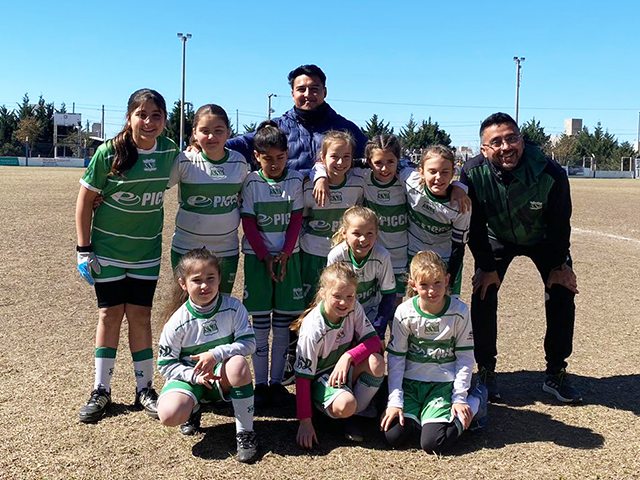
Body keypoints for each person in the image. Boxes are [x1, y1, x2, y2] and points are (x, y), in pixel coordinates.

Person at [460, 112, 581, 403]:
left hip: (543, 239)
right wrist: (486, 267)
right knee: (484, 290)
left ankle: (556, 372)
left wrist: (558, 265)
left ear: (522, 141)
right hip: (497, 237)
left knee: (562, 290)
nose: (506, 147)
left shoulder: (550, 172)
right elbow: (474, 226)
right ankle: (486, 370)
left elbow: (560, 222)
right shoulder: (473, 172)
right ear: (484, 149)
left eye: (512, 138)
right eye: (496, 142)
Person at [75, 88, 179, 423]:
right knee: (109, 314)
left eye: (156, 116)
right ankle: (101, 389)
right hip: (107, 252)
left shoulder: (169, 152)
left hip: (146, 253)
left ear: (165, 119)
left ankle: (145, 389)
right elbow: (84, 201)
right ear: (129, 117)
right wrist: (83, 248)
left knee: (140, 316)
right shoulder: (110, 152)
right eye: (142, 114)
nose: (149, 122)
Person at [156, 249, 258, 463]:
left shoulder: (233, 308)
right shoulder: (177, 322)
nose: (205, 286)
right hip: (191, 378)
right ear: (183, 284)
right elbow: (165, 364)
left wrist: (216, 354)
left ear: (220, 278)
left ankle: (245, 433)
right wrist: (194, 377)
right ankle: (193, 406)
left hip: (222, 376)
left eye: (210, 278)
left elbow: (249, 343)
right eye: (197, 280)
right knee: (168, 415)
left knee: (238, 364)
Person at [381, 251, 488, 454]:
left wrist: (460, 398)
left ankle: (476, 402)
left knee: (433, 443)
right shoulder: (404, 312)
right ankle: (424, 416)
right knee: (393, 436)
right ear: (413, 285)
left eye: (437, 283)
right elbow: (396, 359)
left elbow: (465, 357)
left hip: (442, 385)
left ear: (447, 280)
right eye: (424, 285)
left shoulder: (459, 311)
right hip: (411, 384)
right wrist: (394, 401)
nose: (432, 290)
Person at [240, 121, 305, 409]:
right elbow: (249, 223)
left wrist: (286, 253)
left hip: (288, 260)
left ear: (287, 154)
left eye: (280, 157)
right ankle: (260, 384)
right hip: (258, 260)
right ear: (257, 156)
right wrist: (265, 255)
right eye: (268, 158)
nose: (275, 163)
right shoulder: (252, 182)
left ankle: (277, 383)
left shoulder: (294, 181)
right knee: (260, 325)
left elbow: (296, 221)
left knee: (282, 326)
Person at [292, 263, 385, 449]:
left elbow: (375, 341)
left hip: (343, 369)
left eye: (349, 296)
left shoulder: (354, 308)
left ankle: (355, 417)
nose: (344, 302)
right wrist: (304, 422)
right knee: (346, 404)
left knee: (377, 362)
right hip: (320, 378)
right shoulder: (313, 328)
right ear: (323, 292)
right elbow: (302, 378)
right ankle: (330, 415)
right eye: (337, 296)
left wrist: (348, 357)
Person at [226, 64, 368, 177]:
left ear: (325, 92)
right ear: (293, 94)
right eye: (301, 89)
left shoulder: (344, 128)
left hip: (331, 207)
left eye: (314, 89)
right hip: (289, 207)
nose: (308, 94)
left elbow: (374, 153)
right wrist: (209, 145)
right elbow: (246, 143)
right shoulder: (277, 126)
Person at [168, 104, 248, 294]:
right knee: (184, 306)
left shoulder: (239, 162)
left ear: (228, 132)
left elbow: (245, 197)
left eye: (218, 131)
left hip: (225, 249)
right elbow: (153, 187)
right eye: (205, 131)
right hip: (186, 247)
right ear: (194, 133)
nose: (211, 137)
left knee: (220, 303)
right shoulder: (185, 160)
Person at [300, 130, 364, 306]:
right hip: (313, 254)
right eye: (335, 156)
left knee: (340, 303)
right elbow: (301, 219)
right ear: (323, 157)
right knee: (311, 304)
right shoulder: (308, 187)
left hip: (343, 255)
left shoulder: (358, 185)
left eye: (346, 157)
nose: (341, 162)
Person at [400, 145, 471, 296]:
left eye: (445, 172)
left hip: (444, 262)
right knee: (417, 308)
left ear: (453, 173)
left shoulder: (461, 205)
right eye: (432, 171)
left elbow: (459, 249)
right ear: (421, 172)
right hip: (414, 257)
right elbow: (388, 161)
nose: (438, 177)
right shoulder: (410, 181)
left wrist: (449, 281)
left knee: (447, 311)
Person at [327, 206, 396, 339]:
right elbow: (330, 295)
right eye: (357, 233)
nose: (363, 239)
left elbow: (389, 295)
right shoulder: (336, 256)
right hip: (343, 314)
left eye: (369, 233)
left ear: (377, 233)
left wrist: (379, 331)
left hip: (370, 314)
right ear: (344, 233)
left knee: (374, 359)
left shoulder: (382, 256)